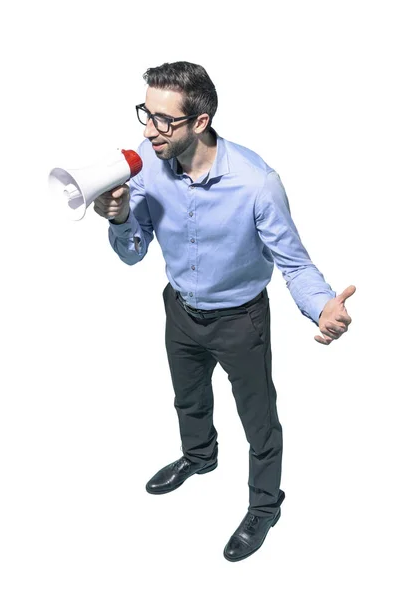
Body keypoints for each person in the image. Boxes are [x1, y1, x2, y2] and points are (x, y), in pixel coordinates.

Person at [93, 61, 355, 562]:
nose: (149, 131)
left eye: (164, 120)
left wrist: (322, 306)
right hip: (181, 311)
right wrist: (122, 216)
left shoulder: (257, 183)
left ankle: (265, 505)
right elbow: (133, 252)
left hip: (242, 320)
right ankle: (199, 458)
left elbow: (293, 264)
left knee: (259, 422)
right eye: (146, 114)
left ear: (201, 121)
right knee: (188, 400)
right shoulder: (147, 163)